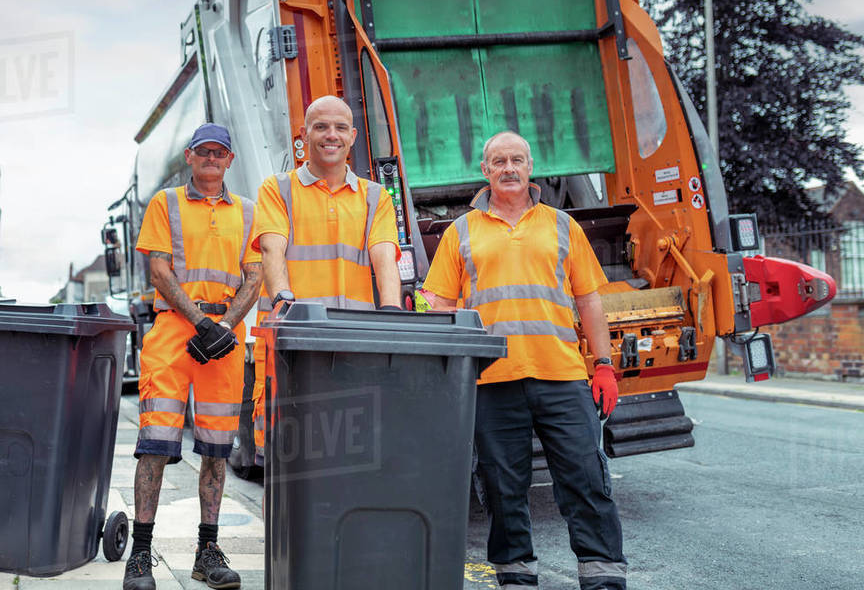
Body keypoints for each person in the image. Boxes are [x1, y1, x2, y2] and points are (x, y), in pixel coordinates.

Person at [421, 130, 626, 590]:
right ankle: (516, 576)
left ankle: (604, 576)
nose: (508, 168)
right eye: (499, 161)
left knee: (585, 478)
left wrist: (604, 364)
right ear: (485, 171)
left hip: (562, 374)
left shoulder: (561, 225)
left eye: (517, 159)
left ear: (531, 167)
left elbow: (589, 301)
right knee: (501, 486)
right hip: (492, 381)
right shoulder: (461, 232)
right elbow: (438, 307)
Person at [125, 123, 263, 590]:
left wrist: (224, 326)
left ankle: (208, 553)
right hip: (172, 336)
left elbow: (255, 275)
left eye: (219, 151)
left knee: (217, 451)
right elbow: (160, 271)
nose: (211, 157)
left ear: (229, 160)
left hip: (223, 341)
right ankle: (140, 556)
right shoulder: (165, 204)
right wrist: (200, 321)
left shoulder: (247, 212)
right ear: (189, 156)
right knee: (156, 446)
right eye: (203, 150)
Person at [249, 95, 403, 461]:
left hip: (355, 344)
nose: (330, 135)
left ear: (352, 137)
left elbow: (385, 259)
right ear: (303, 135)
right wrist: (284, 299)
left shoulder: (374, 197)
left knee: (355, 452)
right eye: (320, 127)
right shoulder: (278, 189)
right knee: (292, 459)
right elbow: (272, 249)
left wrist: (394, 310)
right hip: (293, 344)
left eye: (339, 128)